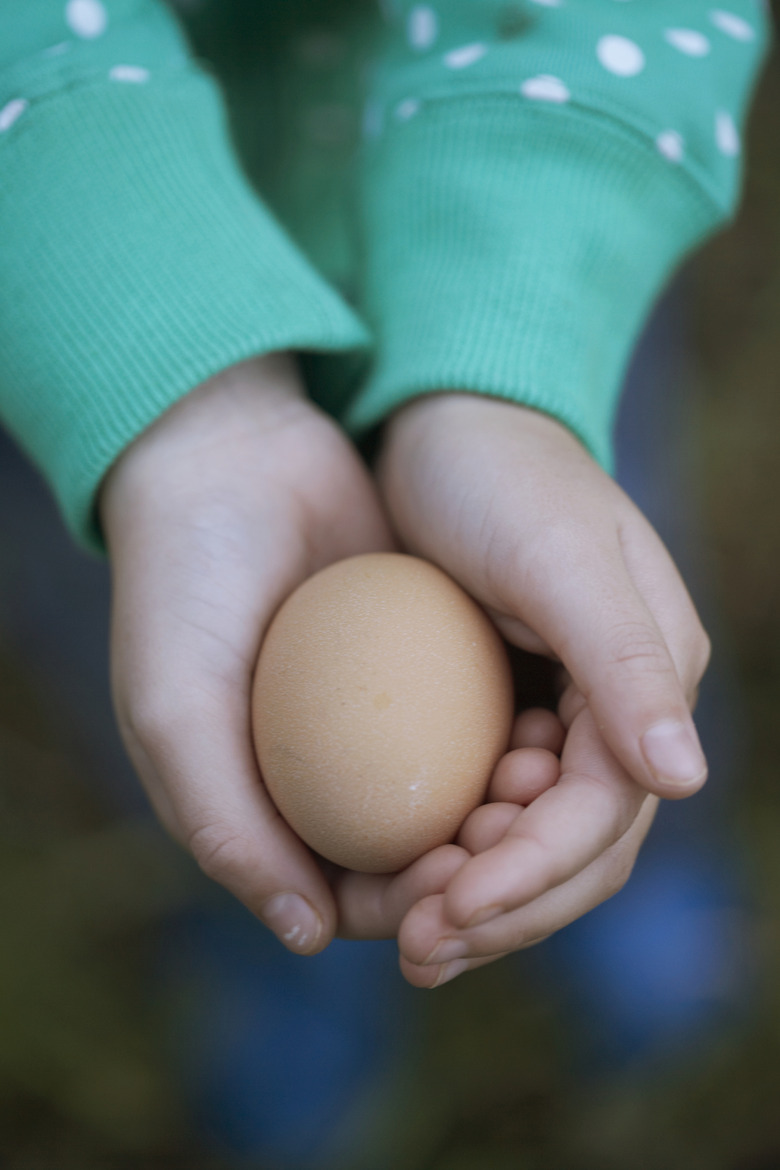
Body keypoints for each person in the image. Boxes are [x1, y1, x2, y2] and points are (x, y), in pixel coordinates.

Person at [0, 0, 769, 995]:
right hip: (68, 336)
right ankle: (274, 939)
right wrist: (180, 409)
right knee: (178, 688)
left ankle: (654, 866)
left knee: (592, 627)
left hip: (532, 252)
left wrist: (501, 357)